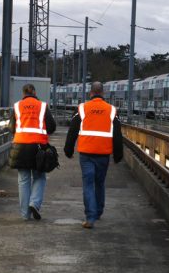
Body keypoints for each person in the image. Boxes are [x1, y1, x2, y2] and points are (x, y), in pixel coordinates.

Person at [64, 81, 123, 229]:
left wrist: (68, 150)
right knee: (100, 183)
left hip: (86, 153)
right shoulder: (111, 110)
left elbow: (72, 130)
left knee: (88, 184)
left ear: (91, 93)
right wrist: (118, 155)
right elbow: (117, 135)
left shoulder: (83, 109)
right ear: (103, 93)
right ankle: (98, 211)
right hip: (103, 153)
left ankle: (90, 217)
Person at [8, 83, 56, 221]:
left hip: (20, 147)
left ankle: (24, 214)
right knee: (39, 177)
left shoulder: (17, 106)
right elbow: (52, 127)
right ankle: (34, 203)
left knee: (23, 180)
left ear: (23, 94)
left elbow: (11, 128)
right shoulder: (42, 106)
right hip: (39, 147)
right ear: (34, 92)